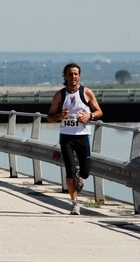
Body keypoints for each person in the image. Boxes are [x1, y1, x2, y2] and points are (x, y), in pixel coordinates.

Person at [47, 63, 103, 215]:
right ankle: (75, 203)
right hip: (66, 137)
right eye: (70, 74)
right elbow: (49, 117)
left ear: (79, 76)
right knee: (69, 172)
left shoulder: (86, 93)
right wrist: (60, 116)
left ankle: (80, 175)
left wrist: (89, 115)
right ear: (64, 76)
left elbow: (99, 112)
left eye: (76, 74)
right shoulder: (60, 95)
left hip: (83, 136)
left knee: (85, 173)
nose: (73, 77)